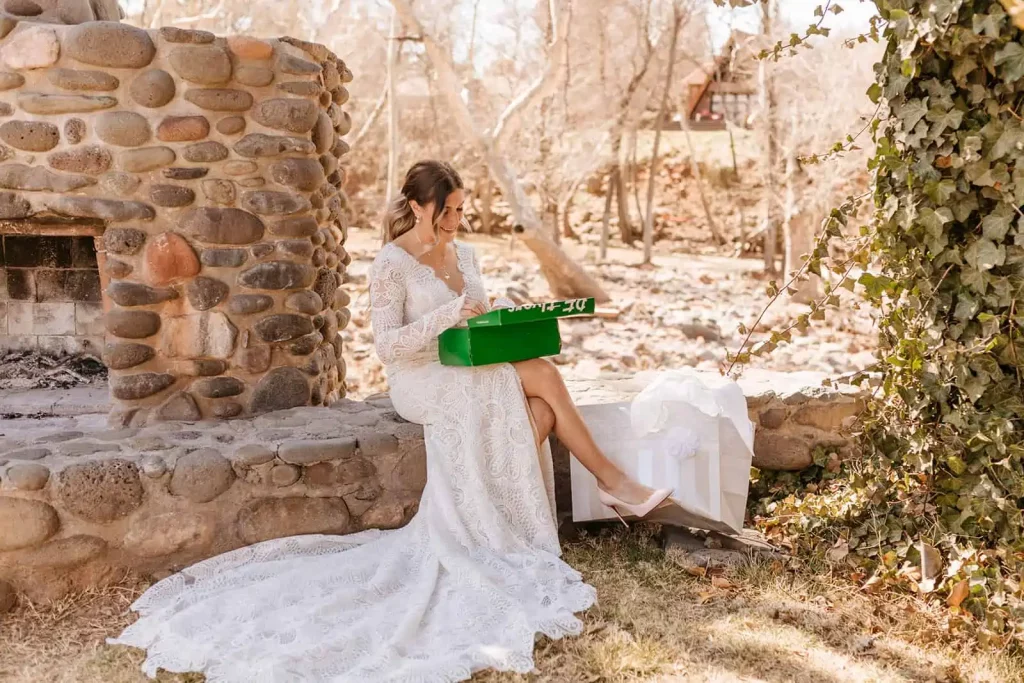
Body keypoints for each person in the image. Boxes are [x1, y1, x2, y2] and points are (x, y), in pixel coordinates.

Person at [109, 160, 671, 682]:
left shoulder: (467, 255)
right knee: (544, 377)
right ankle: (612, 482)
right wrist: (451, 313)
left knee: (544, 403)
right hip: (420, 379)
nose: (457, 219)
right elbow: (388, 346)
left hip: (469, 366)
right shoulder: (391, 263)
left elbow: (476, 328)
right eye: (448, 209)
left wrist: (504, 321)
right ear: (418, 206)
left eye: (460, 209)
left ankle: (506, 502)